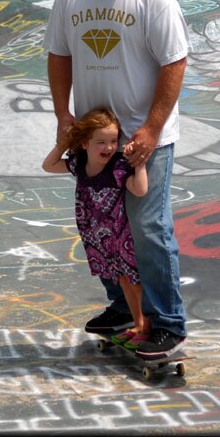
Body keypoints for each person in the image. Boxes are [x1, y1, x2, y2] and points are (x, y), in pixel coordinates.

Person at [43, 0, 190, 359]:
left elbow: (174, 62)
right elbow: (59, 54)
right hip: (96, 140)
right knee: (103, 226)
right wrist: (63, 116)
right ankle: (122, 308)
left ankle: (167, 322)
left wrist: (150, 128)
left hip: (145, 139)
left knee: (147, 227)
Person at [42, 107, 151, 349]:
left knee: (133, 279)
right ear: (84, 143)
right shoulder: (79, 165)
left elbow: (140, 189)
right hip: (96, 235)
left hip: (120, 234)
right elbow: (48, 165)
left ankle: (145, 326)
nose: (109, 147)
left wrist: (140, 165)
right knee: (122, 279)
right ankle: (137, 324)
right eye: (101, 142)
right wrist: (63, 143)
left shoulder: (118, 167)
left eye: (113, 141)